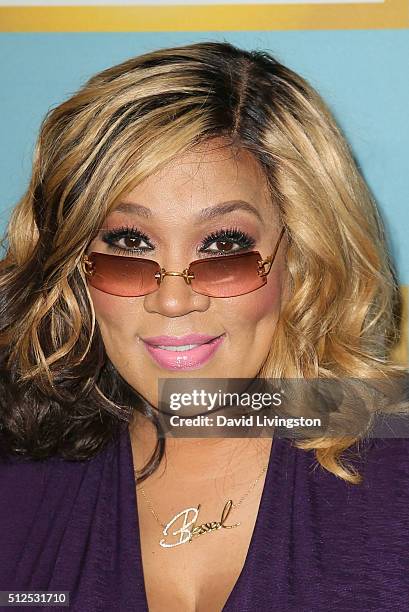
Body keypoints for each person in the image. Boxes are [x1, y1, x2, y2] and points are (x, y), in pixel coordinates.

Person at [0, 40, 408, 612]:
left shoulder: (398, 468)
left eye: (224, 247)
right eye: (129, 244)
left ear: (301, 256)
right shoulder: (19, 481)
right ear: (76, 267)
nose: (172, 300)